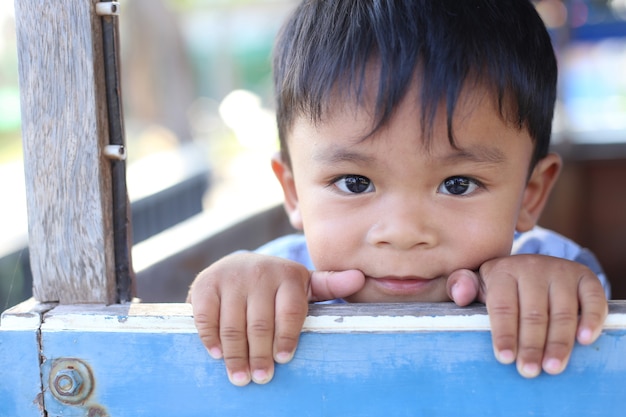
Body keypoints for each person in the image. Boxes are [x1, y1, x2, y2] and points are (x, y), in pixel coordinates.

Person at [189, 0, 610, 387]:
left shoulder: (555, 267)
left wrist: (541, 300)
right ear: (294, 190)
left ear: (530, 194)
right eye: (355, 183)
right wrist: (233, 288)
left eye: (458, 184)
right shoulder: (281, 278)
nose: (404, 232)